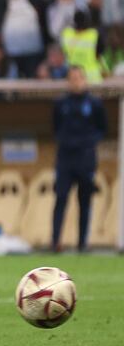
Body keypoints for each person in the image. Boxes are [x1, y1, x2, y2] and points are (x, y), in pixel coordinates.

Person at [51, 66, 107, 252]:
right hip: (65, 157)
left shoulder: (94, 103)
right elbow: (55, 126)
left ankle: (82, 243)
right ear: (68, 81)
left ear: (85, 80)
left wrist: (89, 142)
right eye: (72, 78)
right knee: (60, 198)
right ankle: (55, 241)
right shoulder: (61, 104)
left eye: (79, 78)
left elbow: (102, 128)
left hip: (85, 158)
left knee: (84, 200)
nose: (76, 81)